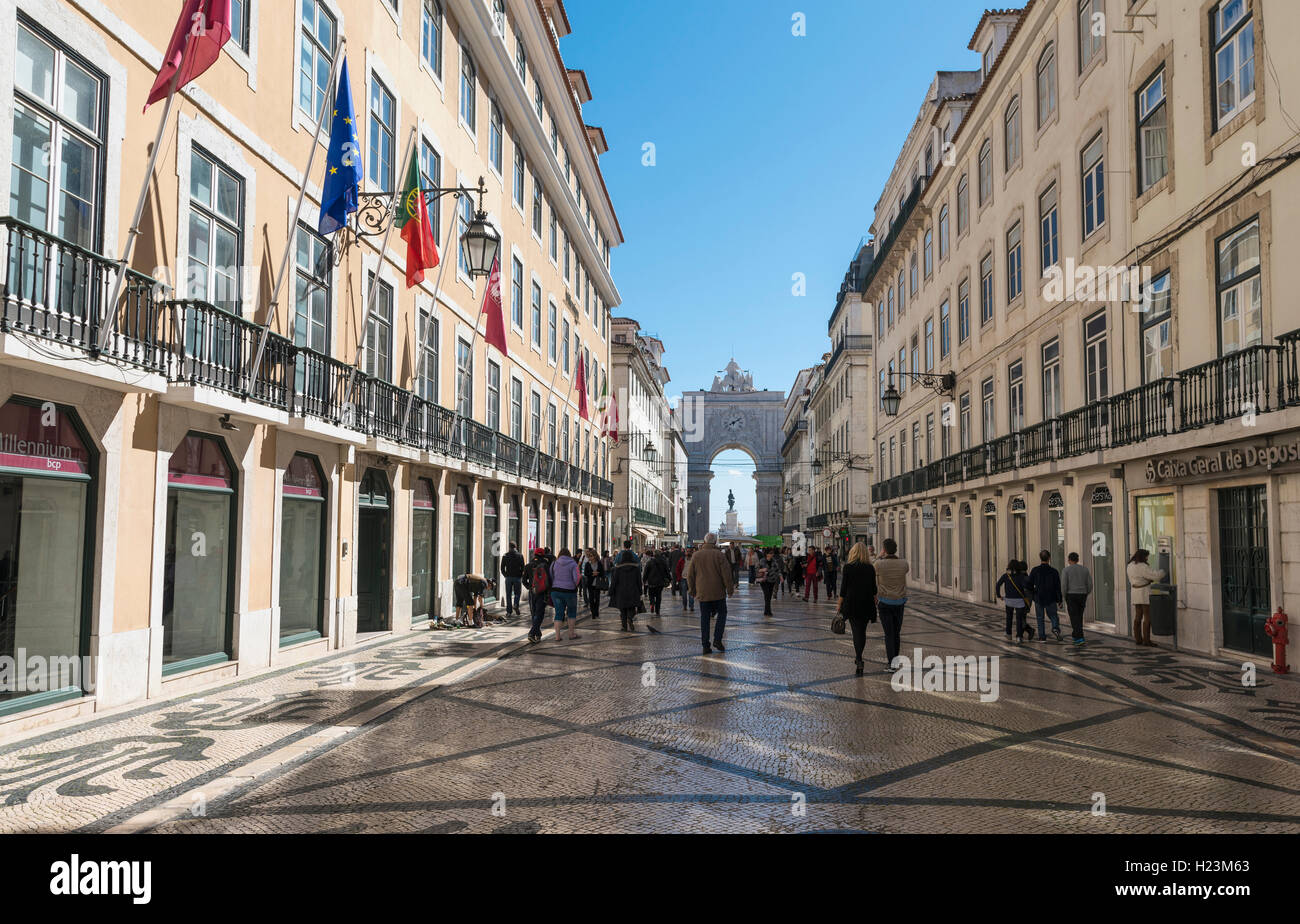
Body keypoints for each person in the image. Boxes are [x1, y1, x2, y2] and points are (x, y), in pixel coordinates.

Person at [687, 532, 736, 655]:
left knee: (704, 618)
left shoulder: (696, 555)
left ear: (704, 542)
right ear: (715, 542)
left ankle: (705, 645)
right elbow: (727, 574)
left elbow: (690, 575)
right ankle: (717, 639)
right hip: (718, 593)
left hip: (703, 593)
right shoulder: (719, 555)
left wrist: (692, 590)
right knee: (722, 614)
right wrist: (729, 590)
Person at [837, 542, 878, 675]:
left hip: (852, 603)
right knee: (862, 631)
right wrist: (875, 600)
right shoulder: (870, 568)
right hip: (866, 602)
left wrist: (839, 604)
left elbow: (843, 589)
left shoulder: (848, 567)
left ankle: (859, 658)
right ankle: (859, 657)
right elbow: (874, 588)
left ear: (852, 553)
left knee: (856, 632)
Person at [873, 538, 909, 668]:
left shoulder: (879, 564)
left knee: (888, 633)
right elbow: (905, 570)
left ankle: (891, 663)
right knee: (896, 633)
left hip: (885, 602)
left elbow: (871, 568)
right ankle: (896, 660)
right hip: (899, 602)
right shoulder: (904, 563)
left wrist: (879, 556)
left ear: (884, 550)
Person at [1127, 549, 1165, 647]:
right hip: (1144, 592)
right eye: (1147, 556)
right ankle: (1147, 640)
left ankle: (1138, 639)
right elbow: (1155, 576)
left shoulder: (1130, 565)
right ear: (1143, 556)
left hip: (1135, 592)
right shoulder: (1142, 566)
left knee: (1138, 616)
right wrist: (1163, 571)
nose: (1147, 558)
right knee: (1147, 616)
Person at [1028, 549, 1064, 642]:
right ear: (1049, 558)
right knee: (1053, 615)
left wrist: (1033, 593)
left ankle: (1042, 637)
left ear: (1040, 558)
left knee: (1040, 617)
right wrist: (1059, 600)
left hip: (1038, 597)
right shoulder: (1054, 571)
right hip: (1051, 597)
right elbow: (1057, 587)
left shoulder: (1035, 570)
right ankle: (1055, 627)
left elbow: (1029, 584)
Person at [996, 560, 1034, 643]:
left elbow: (998, 584)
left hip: (1009, 600)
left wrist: (999, 595)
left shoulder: (1006, 576)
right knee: (1019, 619)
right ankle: (1019, 637)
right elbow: (1026, 586)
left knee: (1009, 617)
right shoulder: (1021, 576)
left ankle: (1008, 634)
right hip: (1019, 600)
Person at [548, 548, 582, 642]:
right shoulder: (573, 563)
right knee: (571, 612)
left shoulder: (554, 563)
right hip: (569, 591)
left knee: (558, 613)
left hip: (556, 591)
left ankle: (557, 636)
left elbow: (551, 576)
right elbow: (577, 578)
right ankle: (571, 634)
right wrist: (574, 585)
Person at [608, 546, 643, 631]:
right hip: (633, 590)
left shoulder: (618, 568)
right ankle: (630, 618)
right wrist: (640, 591)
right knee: (631, 607)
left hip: (621, 591)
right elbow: (639, 581)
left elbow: (614, 581)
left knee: (622, 609)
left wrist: (611, 591)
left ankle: (624, 626)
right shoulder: (636, 568)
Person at [1062, 552, 1093, 646]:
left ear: (1069, 560)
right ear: (1078, 560)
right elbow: (1090, 584)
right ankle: (1076, 635)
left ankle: (1079, 637)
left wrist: (1064, 596)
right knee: (1079, 615)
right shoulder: (1085, 570)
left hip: (1071, 595)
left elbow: (1064, 585)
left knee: (1073, 616)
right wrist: (1086, 592)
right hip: (1082, 594)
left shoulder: (1066, 570)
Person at [524, 548, 551, 643]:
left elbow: (524, 581)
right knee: (540, 613)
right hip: (543, 593)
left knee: (534, 613)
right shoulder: (546, 565)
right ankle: (532, 633)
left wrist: (530, 588)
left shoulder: (528, 565)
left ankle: (538, 634)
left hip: (532, 592)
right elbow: (549, 580)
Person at [643, 548, 671, 614]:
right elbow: (667, 571)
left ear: (654, 554)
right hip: (660, 582)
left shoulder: (650, 562)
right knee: (658, 596)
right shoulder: (663, 562)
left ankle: (652, 603)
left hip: (651, 581)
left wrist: (644, 579)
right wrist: (670, 579)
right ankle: (657, 610)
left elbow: (646, 571)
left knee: (651, 594)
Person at [500, 542, 525, 617]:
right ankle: (516, 604)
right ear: (516, 547)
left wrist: (505, 575)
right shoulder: (520, 555)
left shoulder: (505, 555)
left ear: (509, 547)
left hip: (508, 577)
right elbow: (523, 567)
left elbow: (502, 568)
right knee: (517, 593)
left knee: (508, 594)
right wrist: (520, 575)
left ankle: (509, 612)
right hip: (517, 577)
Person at [582, 548, 605, 622]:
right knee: (591, 598)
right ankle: (593, 613)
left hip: (597, 583)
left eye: (592, 556)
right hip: (590, 583)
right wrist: (592, 574)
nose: (591, 557)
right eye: (589, 556)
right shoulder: (587, 564)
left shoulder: (599, 563)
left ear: (595, 556)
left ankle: (596, 611)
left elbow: (602, 573)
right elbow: (585, 573)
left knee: (597, 598)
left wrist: (598, 573)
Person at [758, 548, 781, 616]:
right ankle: (769, 611)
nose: (772, 554)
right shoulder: (762, 560)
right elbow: (757, 569)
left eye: (772, 553)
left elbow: (777, 569)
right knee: (767, 595)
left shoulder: (774, 560)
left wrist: (780, 576)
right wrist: (762, 569)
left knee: (769, 596)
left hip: (772, 580)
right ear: (766, 554)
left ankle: (766, 611)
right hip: (764, 580)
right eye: (770, 553)